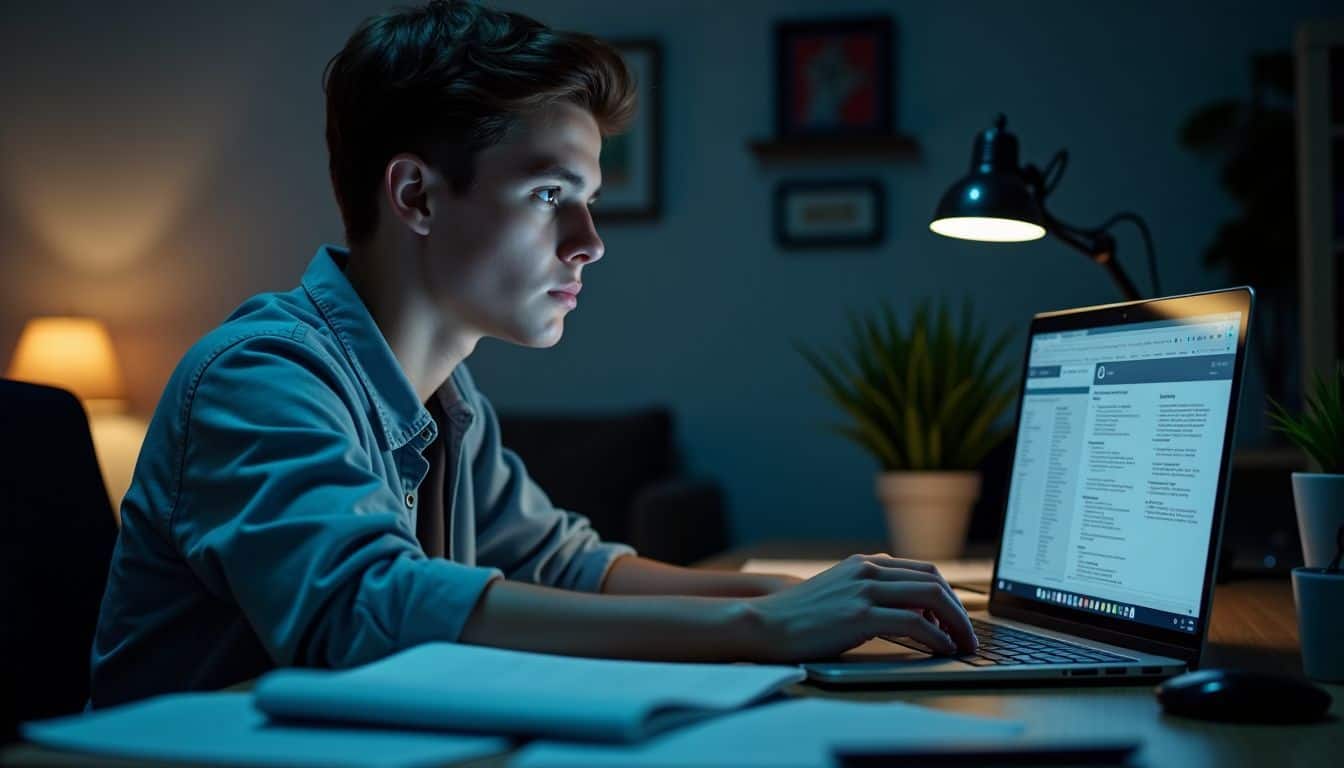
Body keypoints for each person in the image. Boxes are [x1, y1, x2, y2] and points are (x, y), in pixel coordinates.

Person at [89, 0, 975, 708]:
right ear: (416, 196)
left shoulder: (448, 403)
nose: (589, 240)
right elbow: (369, 609)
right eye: (551, 193)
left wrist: (816, 591)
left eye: (586, 197)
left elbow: (568, 567)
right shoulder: (257, 376)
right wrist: (763, 625)